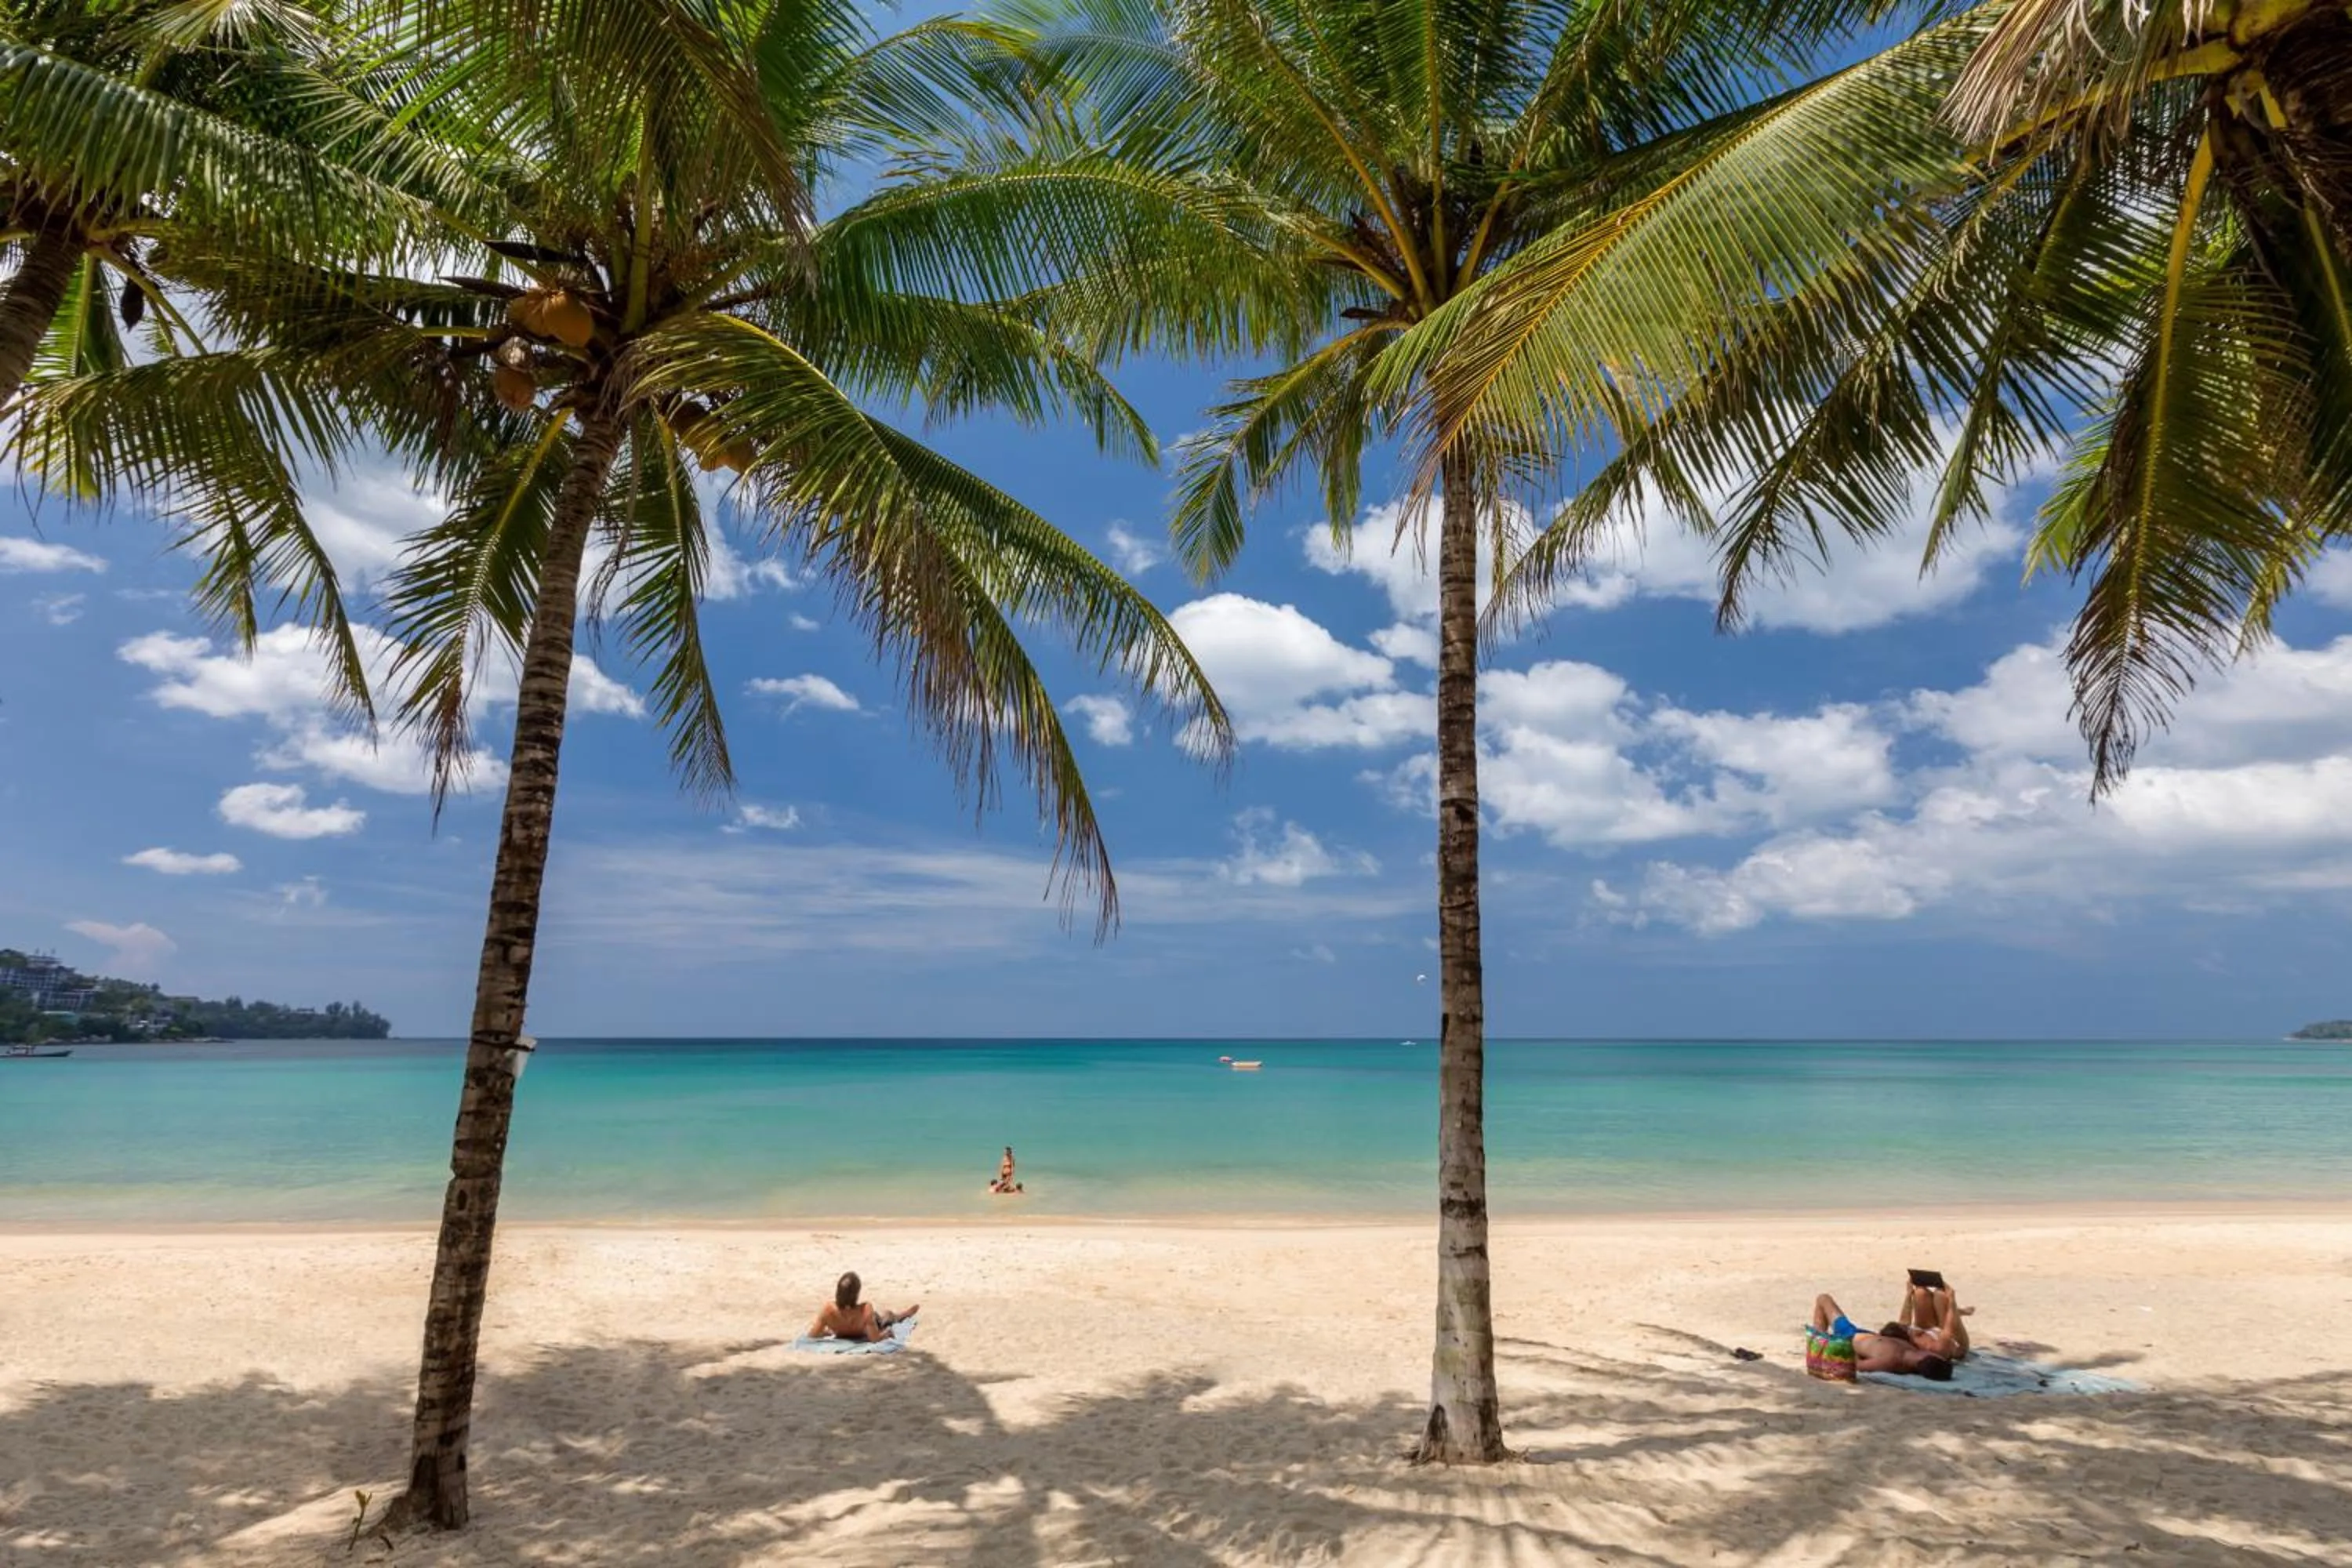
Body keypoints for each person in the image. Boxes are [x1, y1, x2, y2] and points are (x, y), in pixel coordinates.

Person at [1810, 1293, 1954, 1381]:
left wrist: (1842, 1346)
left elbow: (1856, 1365)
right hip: (1868, 1336)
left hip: (1849, 1335)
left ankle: (1816, 1342)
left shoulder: (1890, 1361)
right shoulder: (1912, 1352)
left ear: (1926, 1357)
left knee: (1823, 1299)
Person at [808, 1271, 917, 1343]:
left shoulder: (828, 1310)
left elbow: (813, 1334)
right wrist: (887, 1333)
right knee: (888, 1317)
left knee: (887, 1315)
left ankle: (902, 1315)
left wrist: (828, 1331)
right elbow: (875, 1339)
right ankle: (903, 1315)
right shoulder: (865, 1309)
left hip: (841, 1329)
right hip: (869, 1325)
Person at [1898, 1279, 1973, 1363]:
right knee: (1941, 1296)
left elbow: (1904, 1321)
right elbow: (1949, 1324)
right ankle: (1959, 1312)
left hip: (1930, 1335)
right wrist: (1952, 1300)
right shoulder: (1941, 1347)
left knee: (1920, 1293)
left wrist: (1909, 1294)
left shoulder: (1911, 1338)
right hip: (1956, 1343)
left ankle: (1958, 1312)